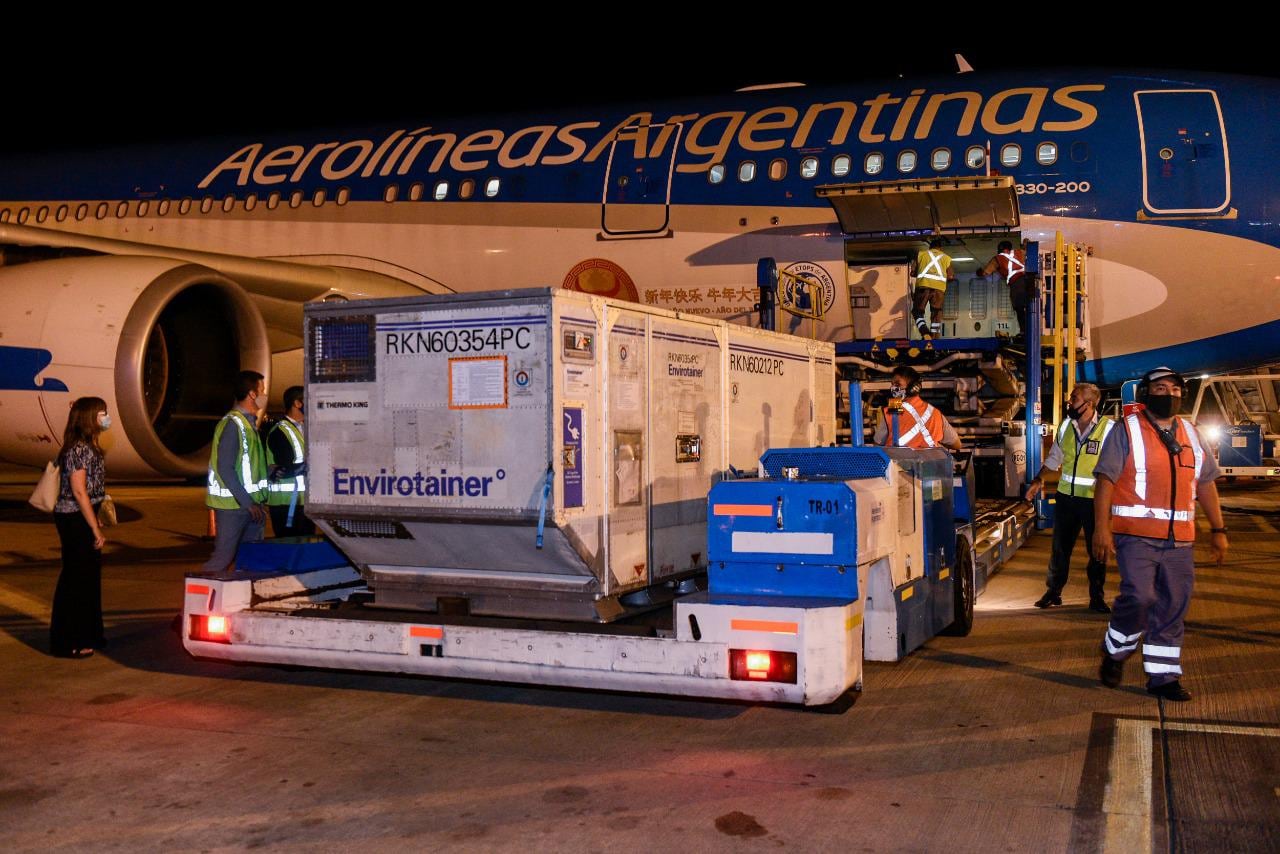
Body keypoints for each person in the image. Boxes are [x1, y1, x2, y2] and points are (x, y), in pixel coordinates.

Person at [1092, 367, 1228, 702]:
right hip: (1136, 536)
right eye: (1161, 387)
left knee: (1173, 606)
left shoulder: (1192, 434)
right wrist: (1101, 528)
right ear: (1146, 393)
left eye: (1175, 388)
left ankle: (1163, 677)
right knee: (1140, 597)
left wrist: (1218, 529)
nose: (1169, 393)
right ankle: (1115, 650)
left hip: (1180, 540)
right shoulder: (1127, 431)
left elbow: (1206, 483)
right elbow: (1105, 480)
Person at [1026, 383, 1115, 612]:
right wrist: (1038, 480)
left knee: (1096, 551)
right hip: (1066, 498)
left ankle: (1097, 597)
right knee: (1060, 549)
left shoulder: (1109, 429)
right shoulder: (1066, 426)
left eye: (1074, 399)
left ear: (1090, 403)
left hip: (1094, 501)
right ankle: (1053, 592)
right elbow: (1054, 458)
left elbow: (1116, 468)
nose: (1070, 402)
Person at [50, 397, 110, 658]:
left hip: (83, 514)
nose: (106, 418)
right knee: (75, 579)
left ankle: (90, 634)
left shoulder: (88, 445)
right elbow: (78, 491)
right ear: (89, 418)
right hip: (74, 517)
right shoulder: (79, 449)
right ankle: (66, 641)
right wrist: (95, 529)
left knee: (88, 579)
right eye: (102, 413)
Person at [203, 371, 270, 572]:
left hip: (251, 505)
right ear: (251, 394)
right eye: (262, 391)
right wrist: (247, 502)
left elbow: (247, 466)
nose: (264, 395)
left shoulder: (248, 424)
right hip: (235, 506)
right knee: (223, 558)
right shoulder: (233, 424)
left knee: (250, 560)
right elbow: (225, 467)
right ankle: (199, 596)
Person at [873, 366, 963, 450]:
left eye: (897, 384)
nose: (893, 388)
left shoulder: (893, 409)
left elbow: (878, 444)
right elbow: (957, 444)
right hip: (930, 465)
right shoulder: (934, 412)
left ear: (913, 387)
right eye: (892, 384)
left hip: (898, 465)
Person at [265, 385, 315, 537]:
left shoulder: (304, 428)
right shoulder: (280, 431)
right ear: (297, 403)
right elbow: (283, 468)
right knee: (289, 549)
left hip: (303, 502)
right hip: (286, 505)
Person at [981, 239, 1030, 336]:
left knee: (1019, 308)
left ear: (1000, 249)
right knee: (1030, 307)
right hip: (1028, 281)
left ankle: (1024, 331)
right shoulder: (1019, 252)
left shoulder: (998, 258)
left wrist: (981, 272)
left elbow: (986, 272)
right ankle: (1031, 328)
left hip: (1016, 284)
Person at [911, 238, 955, 339]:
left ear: (929, 247)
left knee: (917, 312)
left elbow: (912, 272)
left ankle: (925, 333)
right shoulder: (946, 258)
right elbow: (951, 276)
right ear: (940, 248)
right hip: (939, 290)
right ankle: (935, 338)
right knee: (936, 314)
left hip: (923, 286)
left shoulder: (921, 254)